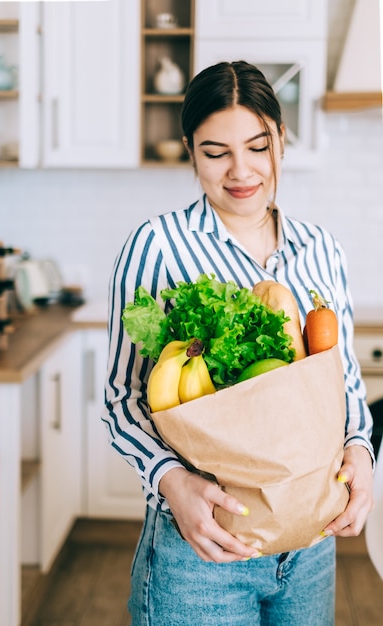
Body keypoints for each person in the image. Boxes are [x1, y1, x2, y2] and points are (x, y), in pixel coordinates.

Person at [102, 60, 374, 625]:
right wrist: (172, 482)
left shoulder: (322, 249)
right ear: (189, 150)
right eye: (215, 151)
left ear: (281, 138)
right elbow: (121, 400)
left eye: (258, 145)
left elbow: (345, 383)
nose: (241, 170)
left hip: (311, 544)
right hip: (201, 547)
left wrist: (360, 452)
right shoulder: (157, 247)